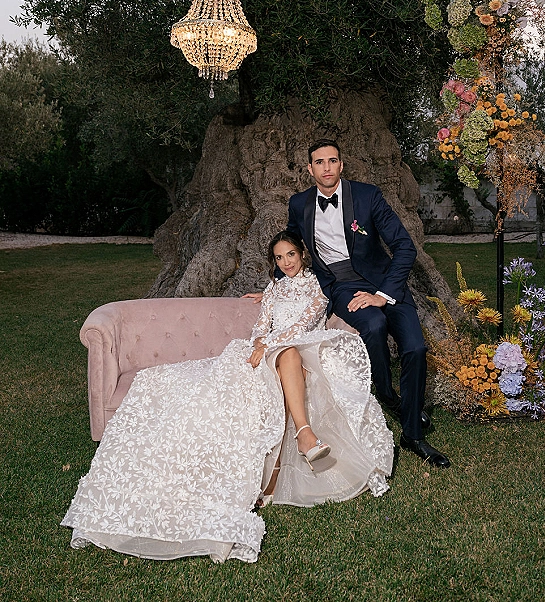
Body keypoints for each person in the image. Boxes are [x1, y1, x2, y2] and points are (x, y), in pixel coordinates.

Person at [61, 231, 394, 564]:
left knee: (290, 352)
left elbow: (304, 325)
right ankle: (295, 447)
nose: (285, 263)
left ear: (302, 254)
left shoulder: (319, 288)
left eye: (290, 255)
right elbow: (261, 325)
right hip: (266, 351)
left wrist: (272, 343)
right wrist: (261, 342)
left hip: (305, 348)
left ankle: (300, 441)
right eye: (279, 258)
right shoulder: (274, 288)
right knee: (206, 385)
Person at [287, 139, 450, 468]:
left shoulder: (367, 195)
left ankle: (411, 435)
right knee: (373, 325)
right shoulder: (299, 204)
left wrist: (383, 293)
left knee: (415, 348)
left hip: (384, 282)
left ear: (341, 165)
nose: (327, 167)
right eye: (320, 162)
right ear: (310, 169)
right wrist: (275, 285)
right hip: (342, 285)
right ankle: (391, 398)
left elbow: (404, 247)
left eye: (333, 161)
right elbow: (289, 245)